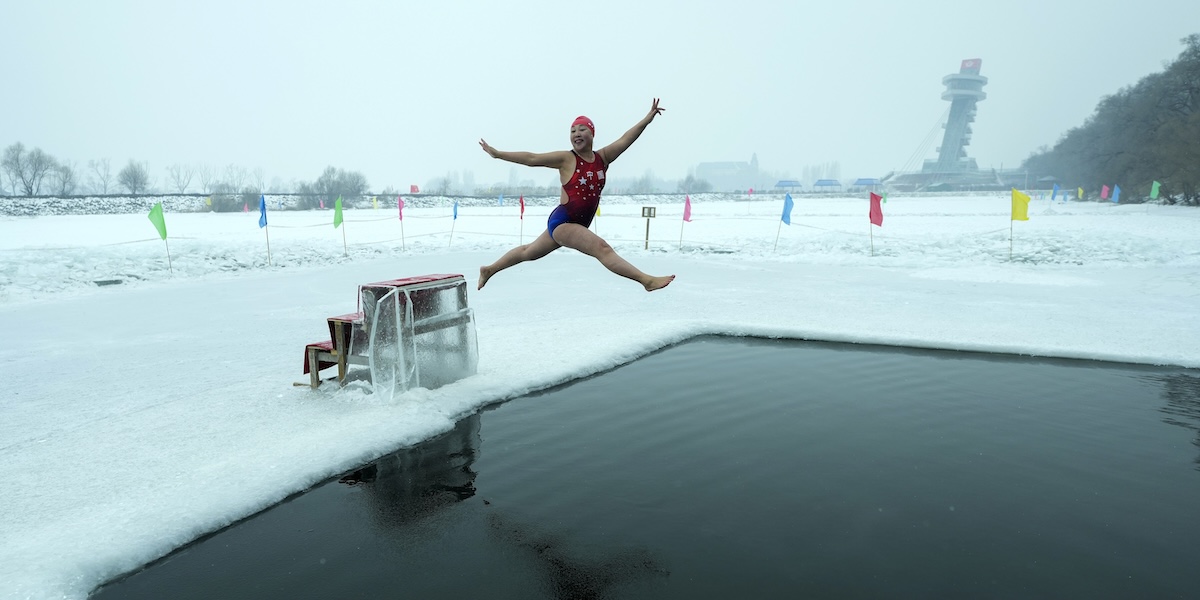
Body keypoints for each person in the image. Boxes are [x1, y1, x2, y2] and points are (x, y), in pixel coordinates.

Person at [476, 98, 676, 292]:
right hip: (562, 223)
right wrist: (498, 154)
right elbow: (532, 158)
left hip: (577, 224)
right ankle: (646, 281)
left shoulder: (603, 158)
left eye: (582, 129)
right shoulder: (566, 159)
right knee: (602, 248)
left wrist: (647, 119)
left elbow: (626, 139)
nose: (576, 133)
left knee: (528, 252)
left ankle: (489, 269)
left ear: (592, 134)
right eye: (573, 131)